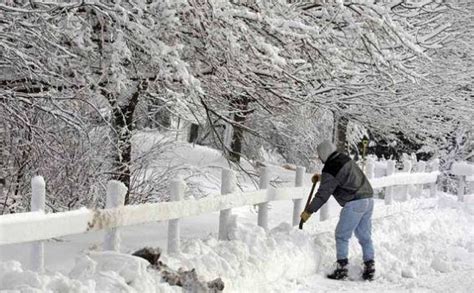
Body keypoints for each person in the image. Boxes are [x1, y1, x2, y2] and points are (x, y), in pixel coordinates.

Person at [300, 140, 375, 280]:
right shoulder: (344, 158)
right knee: (365, 236)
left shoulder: (330, 167)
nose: (319, 157)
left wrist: (309, 211)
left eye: (319, 155)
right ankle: (370, 267)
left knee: (341, 235)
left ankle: (342, 269)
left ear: (323, 153)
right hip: (369, 199)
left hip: (354, 202)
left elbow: (323, 194)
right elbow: (343, 177)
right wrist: (322, 178)